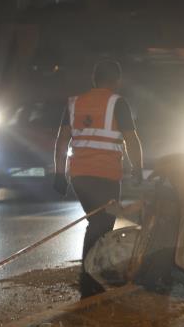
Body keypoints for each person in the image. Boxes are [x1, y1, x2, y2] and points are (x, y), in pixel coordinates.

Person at [53, 60, 144, 297]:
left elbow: (62, 140)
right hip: (106, 176)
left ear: (94, 80)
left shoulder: (74, 103)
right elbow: (131, 140)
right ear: (117, 80)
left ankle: (91, 277)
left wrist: (59, 173)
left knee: (100, 223)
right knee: (101, 224)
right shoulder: (118, 103)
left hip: (80, 177)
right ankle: (88, 280)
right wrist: (138, 168)